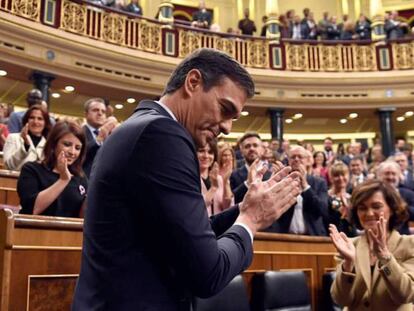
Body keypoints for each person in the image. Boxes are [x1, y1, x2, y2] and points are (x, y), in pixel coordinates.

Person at [72, 48, 302, 310]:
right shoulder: (162, 134)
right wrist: (250, 221)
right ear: (193, 82)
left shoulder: (143, 126)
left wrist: (248, 207)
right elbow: (209, 274)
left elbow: (184, 234)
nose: (228, 127)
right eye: (225, 109)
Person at [330, 179, 414, 310]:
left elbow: (405, 295)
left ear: (392, 209)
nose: (369, 213)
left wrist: (386, 257)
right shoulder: (349, 246)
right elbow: (341, 300)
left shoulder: (409, 244)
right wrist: (348, 263)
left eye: (376, 206)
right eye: (362, 208)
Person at [17, 120, 87, 217]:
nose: (72, 152)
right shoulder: (32, 170)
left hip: (69, 232)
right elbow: (32, 209)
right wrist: (63, 179)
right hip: (34, 230)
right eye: (67, 145)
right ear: (53, 144)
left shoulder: (80, 178)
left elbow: (83, 218)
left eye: (78, 148)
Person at [3, 105, 51, 171]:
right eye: (32, 118)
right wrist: (25, 146)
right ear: (26, 120)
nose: (35, 122)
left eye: (40, 119)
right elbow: (9, 166)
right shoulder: (13, 138)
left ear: (45, 123)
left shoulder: (49, 145)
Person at [82, 98, 117, 178]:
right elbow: (80, 155)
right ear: (86, 114)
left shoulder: (109, 135)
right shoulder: (79, 132)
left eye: (103, 111)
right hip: (84, 182)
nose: (100, 113)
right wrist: (99, 139)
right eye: (95, 110)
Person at [198, 140, 233, 216]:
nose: (206, 156)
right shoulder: (190, 178)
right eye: (201, 151)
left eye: (210, 152)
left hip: (219, 225)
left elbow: (227, 207)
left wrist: (226, 182)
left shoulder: (219, 178)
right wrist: (213, 188)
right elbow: (196, 207)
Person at [326, 161, 357, 237]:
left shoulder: (352, 198)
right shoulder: (325, 197)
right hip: (328, 239)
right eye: (336, 175)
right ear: (331, 178)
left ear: (348, 176)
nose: (340, 178)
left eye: (343, 175)